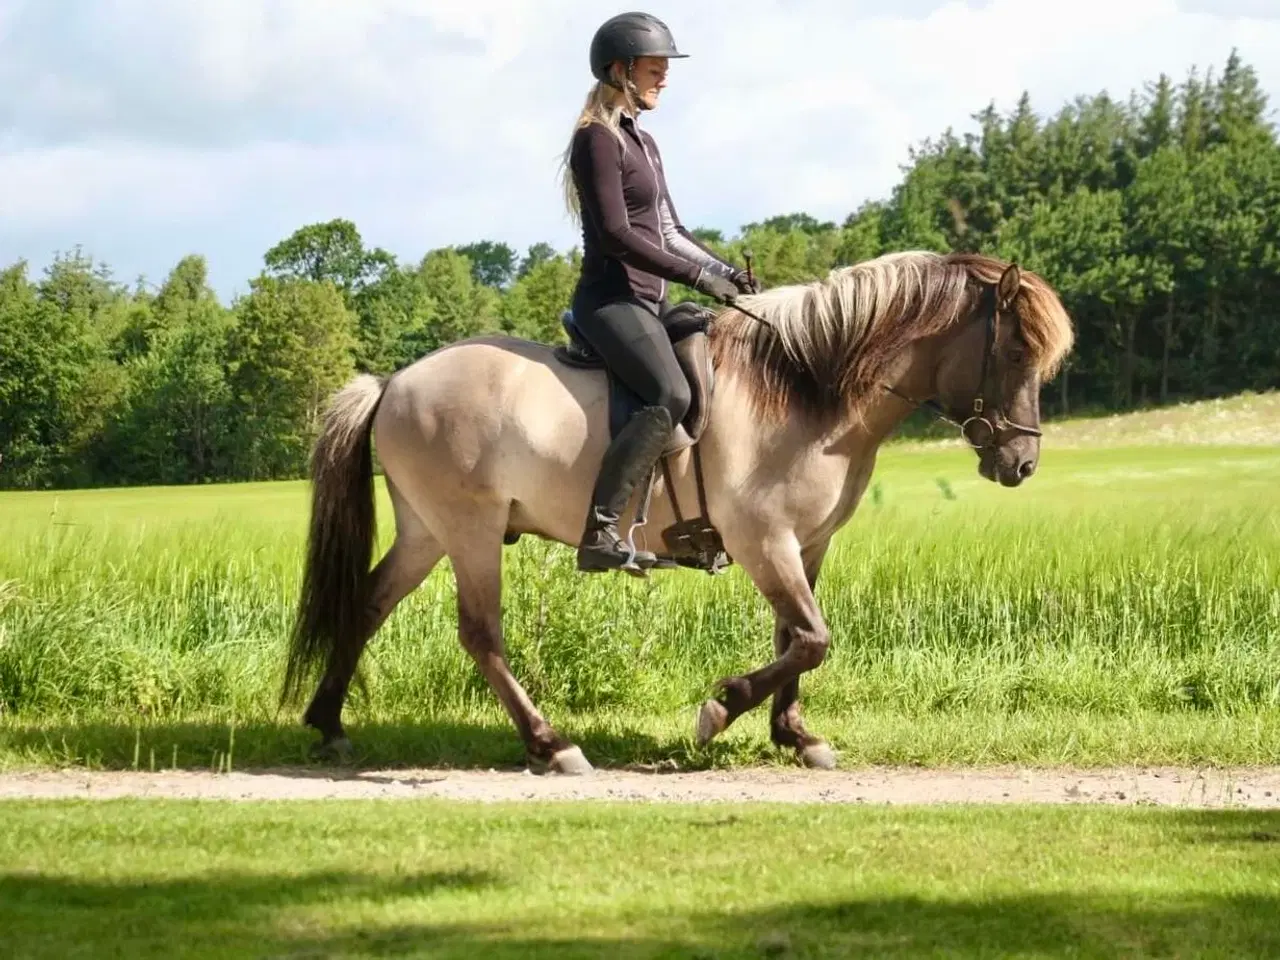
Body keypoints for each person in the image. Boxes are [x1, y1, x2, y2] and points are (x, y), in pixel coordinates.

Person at [561, 11, 758, 574]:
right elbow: (619, 237)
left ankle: (693, 519)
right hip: (609, 301)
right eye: (654, 68)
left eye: (664, 69)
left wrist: (727, 272)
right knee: (668, 393)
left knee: (716, 357)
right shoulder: (595, 141)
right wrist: (697, 277)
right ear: (620, 70)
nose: (664, 78)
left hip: (650, 302)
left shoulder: (643, 143)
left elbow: (669, 230)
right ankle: (600, 531)